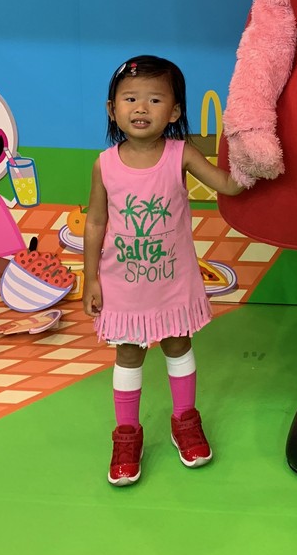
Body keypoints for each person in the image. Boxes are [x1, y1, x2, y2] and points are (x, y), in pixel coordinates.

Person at [83, 56, 243, 487]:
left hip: (174, 285)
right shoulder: (104, 164)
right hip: (124, 288)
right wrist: (91, 278)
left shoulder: (181, 154)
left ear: (173, 112)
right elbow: (95, 223)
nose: (141, 107)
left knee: (178, 345)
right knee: (128, 354)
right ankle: (127, 434)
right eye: (130, 99)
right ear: (111, 109)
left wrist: (258, 161)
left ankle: (185, 420)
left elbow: (228, 184)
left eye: (155, 100)